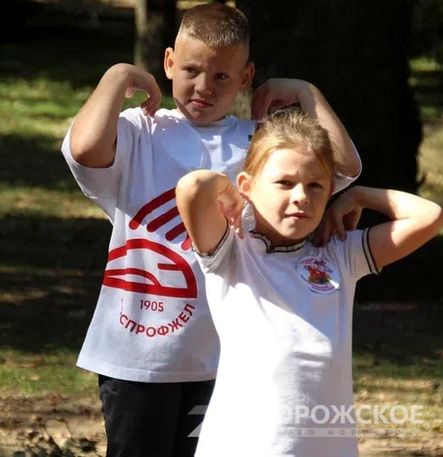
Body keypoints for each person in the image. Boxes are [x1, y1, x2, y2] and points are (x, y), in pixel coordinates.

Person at [61, 3, 362, 456]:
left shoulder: (258, 142)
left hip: (229, 360)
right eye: (190, 70)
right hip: (137, 355)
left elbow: (342, 166)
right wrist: (118, 75)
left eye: (222, 76)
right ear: (167, 64)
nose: (203, 87)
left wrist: (306, 92)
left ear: (246, 78)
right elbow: (84, 150)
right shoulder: (140, 130)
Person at [176, 109, 443, 456]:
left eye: (315, 185)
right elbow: (194, 187)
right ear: (248, 186)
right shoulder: (232, 251)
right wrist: (227, 192)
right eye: (284, 183)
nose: (302, 196)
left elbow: (429, 216)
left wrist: (360, 195)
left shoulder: (340, 254)